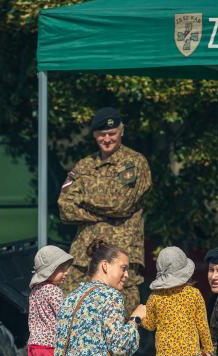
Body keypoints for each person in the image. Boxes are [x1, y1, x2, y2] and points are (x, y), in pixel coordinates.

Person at [58, 107, 152, 315]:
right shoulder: (83, 166)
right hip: (84, 255)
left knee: (115, 316)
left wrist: (84, 200)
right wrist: (101, 213)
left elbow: (121, 204)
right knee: (71, 310)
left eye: (112, 134)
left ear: (121, 132)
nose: (107, 139)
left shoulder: (135, 163)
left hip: (120, 253)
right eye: (102, 134)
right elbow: (64, 207)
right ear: (94, 135)